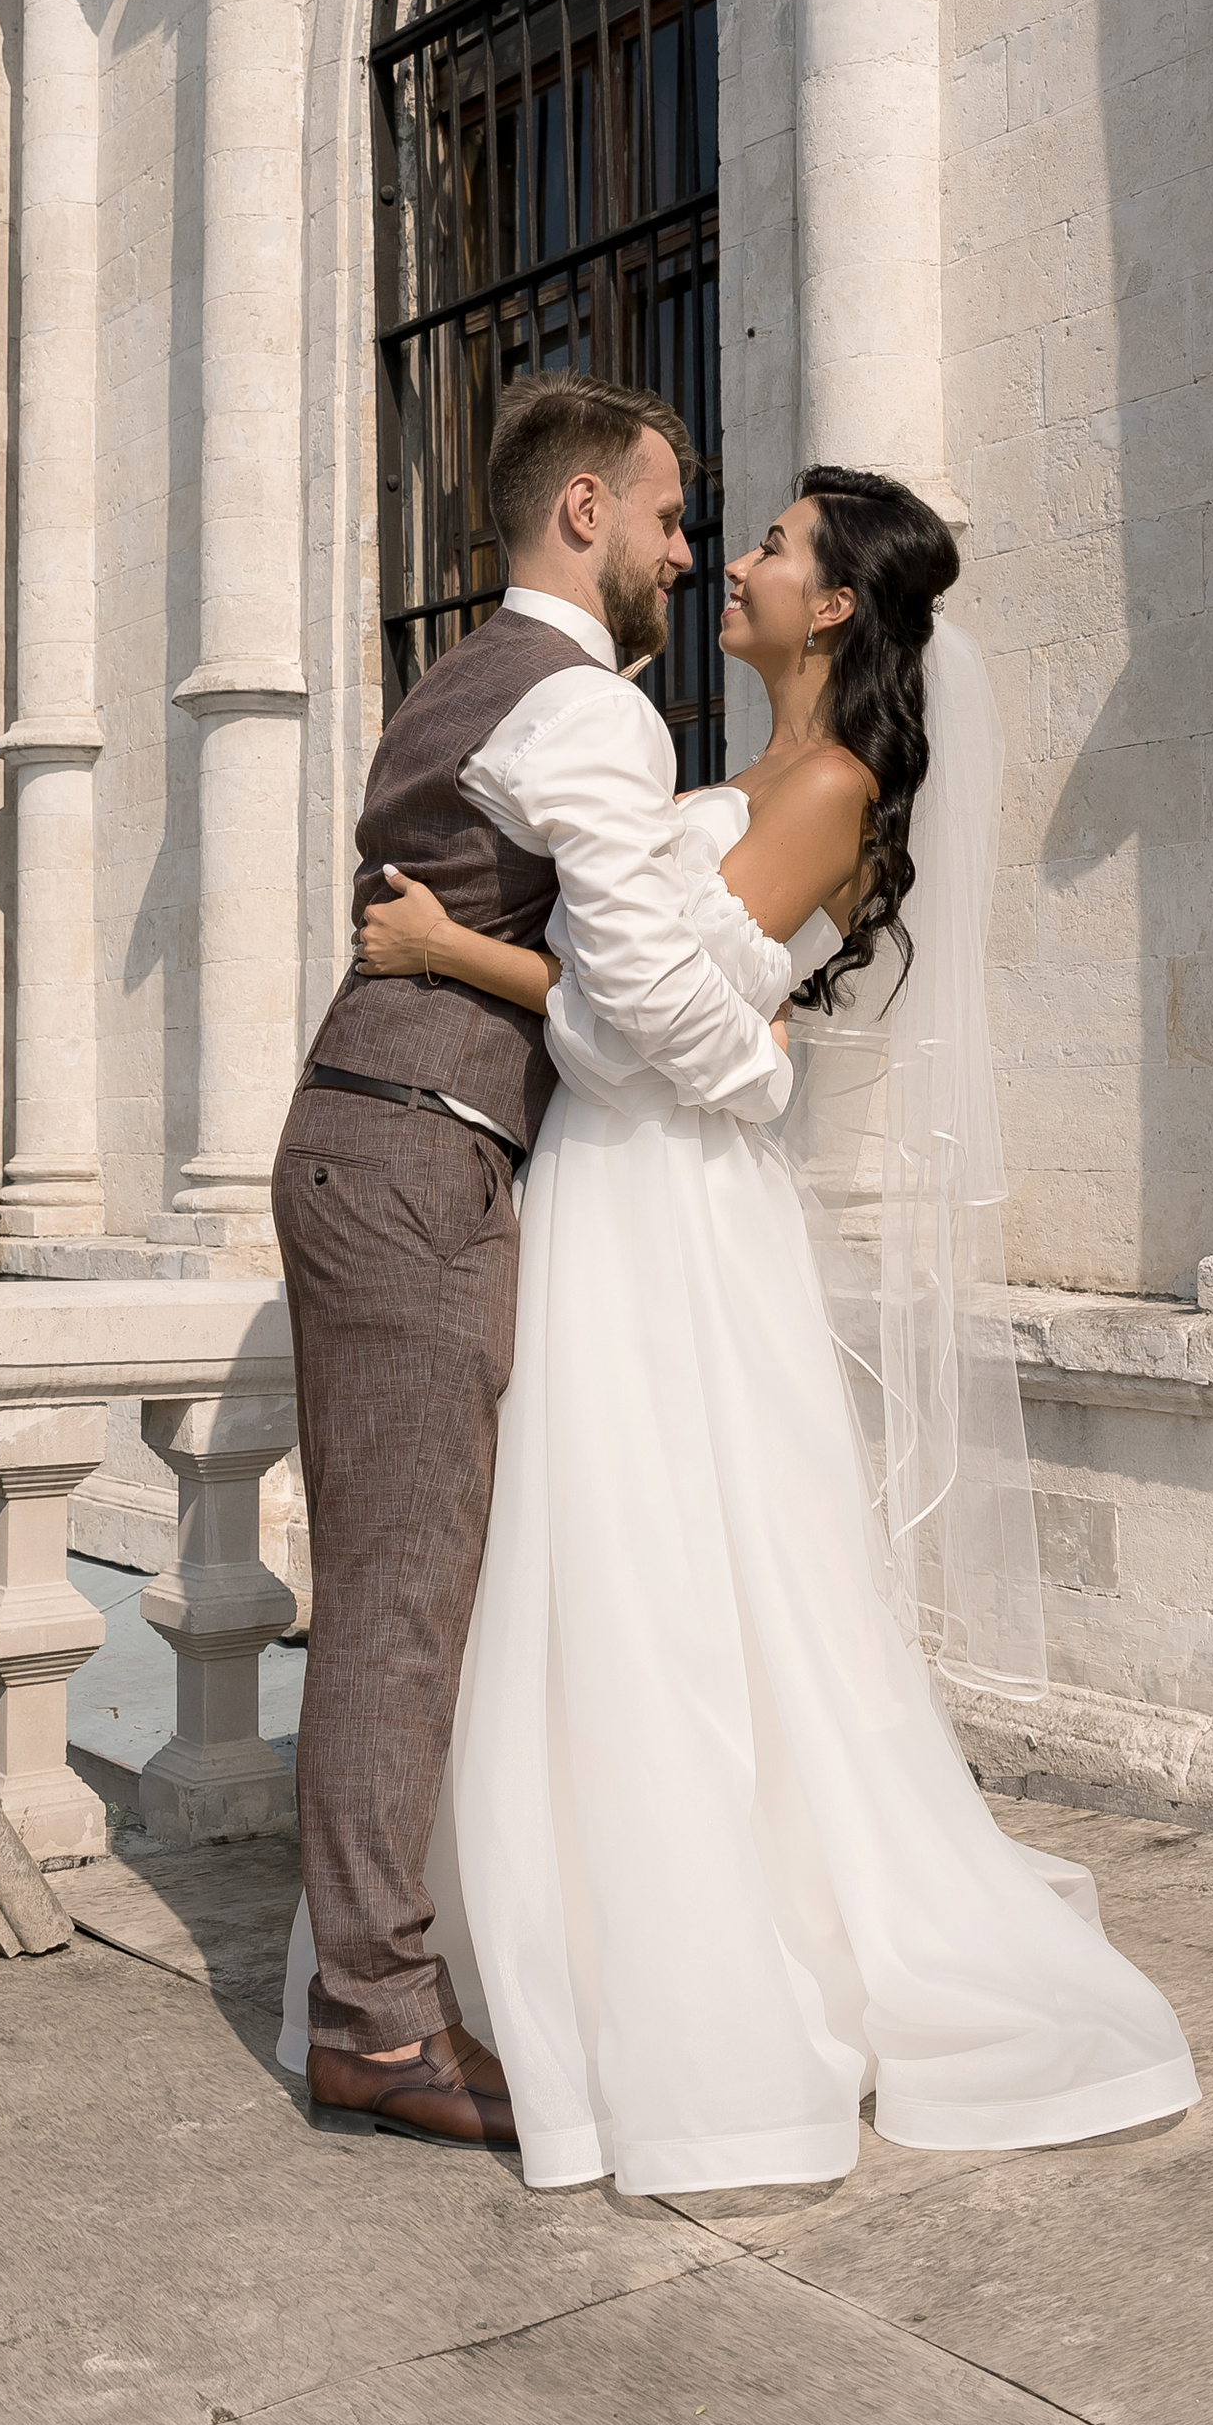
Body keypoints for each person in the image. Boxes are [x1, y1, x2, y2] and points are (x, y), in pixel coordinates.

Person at [334, 461, 1200, 2192]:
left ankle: (679, 1951)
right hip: (622, 1177)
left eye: (778, 548)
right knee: (588, 1552)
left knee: (657, 1553)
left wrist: (444, 950)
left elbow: (644, 1025)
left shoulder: (829, 784)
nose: (733, 559)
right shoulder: (747, 774)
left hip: (663, 1195)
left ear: (834, 609)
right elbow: (675, 997)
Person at [270, 373, 792, 2151]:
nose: (682, 544)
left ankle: (381, 1984)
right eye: (664, 511)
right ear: (585, 509)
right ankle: (376, 2024)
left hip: (384, 1134)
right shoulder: (584, 708)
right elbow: (643, 991)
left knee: (410, 1582)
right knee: (407, 1594)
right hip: (414, 1156)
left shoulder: (457, 679)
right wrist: (759, 1075)